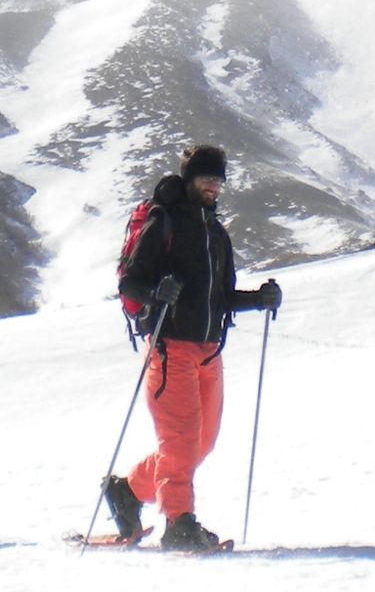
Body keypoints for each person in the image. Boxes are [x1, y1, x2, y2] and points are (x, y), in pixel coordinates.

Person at [102, 145, 281, 551]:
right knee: (181, 443)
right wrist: (154, 293)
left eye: (218, 180)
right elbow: (129, 283)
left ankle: (129, 491)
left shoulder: (215, 233)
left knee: (201, 443)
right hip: (170, 350)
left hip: (209, 351)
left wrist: (259, 299)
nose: (213, 186)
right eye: (206, 178)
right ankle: (179, 524)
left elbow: (219, 297)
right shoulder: (165, 223)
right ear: (189, 179)